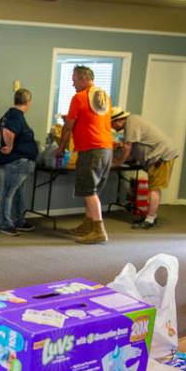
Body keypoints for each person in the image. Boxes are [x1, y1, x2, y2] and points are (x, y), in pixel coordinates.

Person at [56, 66, 113, 245]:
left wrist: (61, 147)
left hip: (91, 149)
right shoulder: (103, 96)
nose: (72, 83)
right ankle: (88, 225)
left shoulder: (79, 97)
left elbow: (68, 126)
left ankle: (98, 230)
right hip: (106, 149)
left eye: (74, 79)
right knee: (92, 190)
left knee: (88, 190)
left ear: (83, 78)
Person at [110, 108, 179, 229]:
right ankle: (151, 215)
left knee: (154, 188)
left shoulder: (131, 123)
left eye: (111, 123)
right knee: (154, 187)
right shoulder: (132, 122)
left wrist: (117, 162)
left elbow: (128, 147)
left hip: (161, 156)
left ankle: (150, 220)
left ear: (118, 120)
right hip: (160, 154)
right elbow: (135, 146)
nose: (111, 127)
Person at [0, 88, 39, 236]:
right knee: (7, 193)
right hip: (16, 162)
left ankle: (19, 221)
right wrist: (9, 146)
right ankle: (5, 224)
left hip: (19, 163)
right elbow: (7, 131)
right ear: (28, 102)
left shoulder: (9, 114)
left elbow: (0, 128)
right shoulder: (16, 116)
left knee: (18, 193)